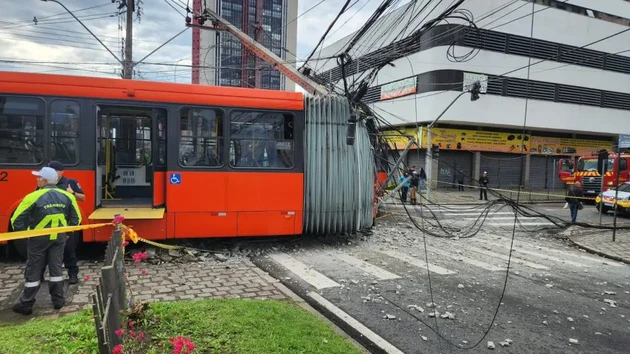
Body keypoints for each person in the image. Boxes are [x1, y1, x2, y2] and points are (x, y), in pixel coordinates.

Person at [11, 167, 82, 315]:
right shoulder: (67, 196)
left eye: (39, 177)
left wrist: (24, 234)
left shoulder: (33, 197)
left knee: (34, 268)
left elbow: (16, 219)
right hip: (59, 237)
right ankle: (58, 300)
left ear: (44, 180)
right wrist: (67, 232)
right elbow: (77, 219)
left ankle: (26, 303)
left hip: (38, 239)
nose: (37, 179)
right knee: (56, 268)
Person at [41, 161, 85, 284]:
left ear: (62, 171)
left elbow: (82, 198)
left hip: (65, 225)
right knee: (43, 252)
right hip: (47, 225)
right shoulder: (44, 183)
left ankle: (72, 274)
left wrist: (73, 193)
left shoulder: (70, 182)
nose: (53, 173)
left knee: (69, 251)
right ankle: (39, 276)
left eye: (55, 170)